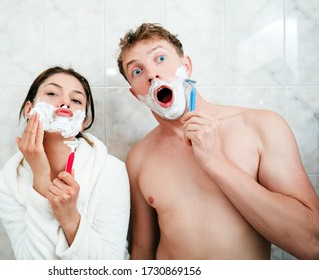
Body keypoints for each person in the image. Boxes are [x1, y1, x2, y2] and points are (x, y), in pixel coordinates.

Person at [117, 23, 319, 260]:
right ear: (135, 93)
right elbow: (142, 254)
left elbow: (311, 244)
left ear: (186, 66)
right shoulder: (139, 157)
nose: (152, 74)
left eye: (160, 58)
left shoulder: (261, 127)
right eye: (137, 72)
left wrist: (216, 161)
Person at [0, 66, 130, 259]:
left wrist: (70, 218)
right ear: (29, 109)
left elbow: (110, 265)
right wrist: (40, 178)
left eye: (76, 100)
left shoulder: (111, 171)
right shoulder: (5, 184)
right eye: (52, 93)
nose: (65, 102)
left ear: (83, 121)